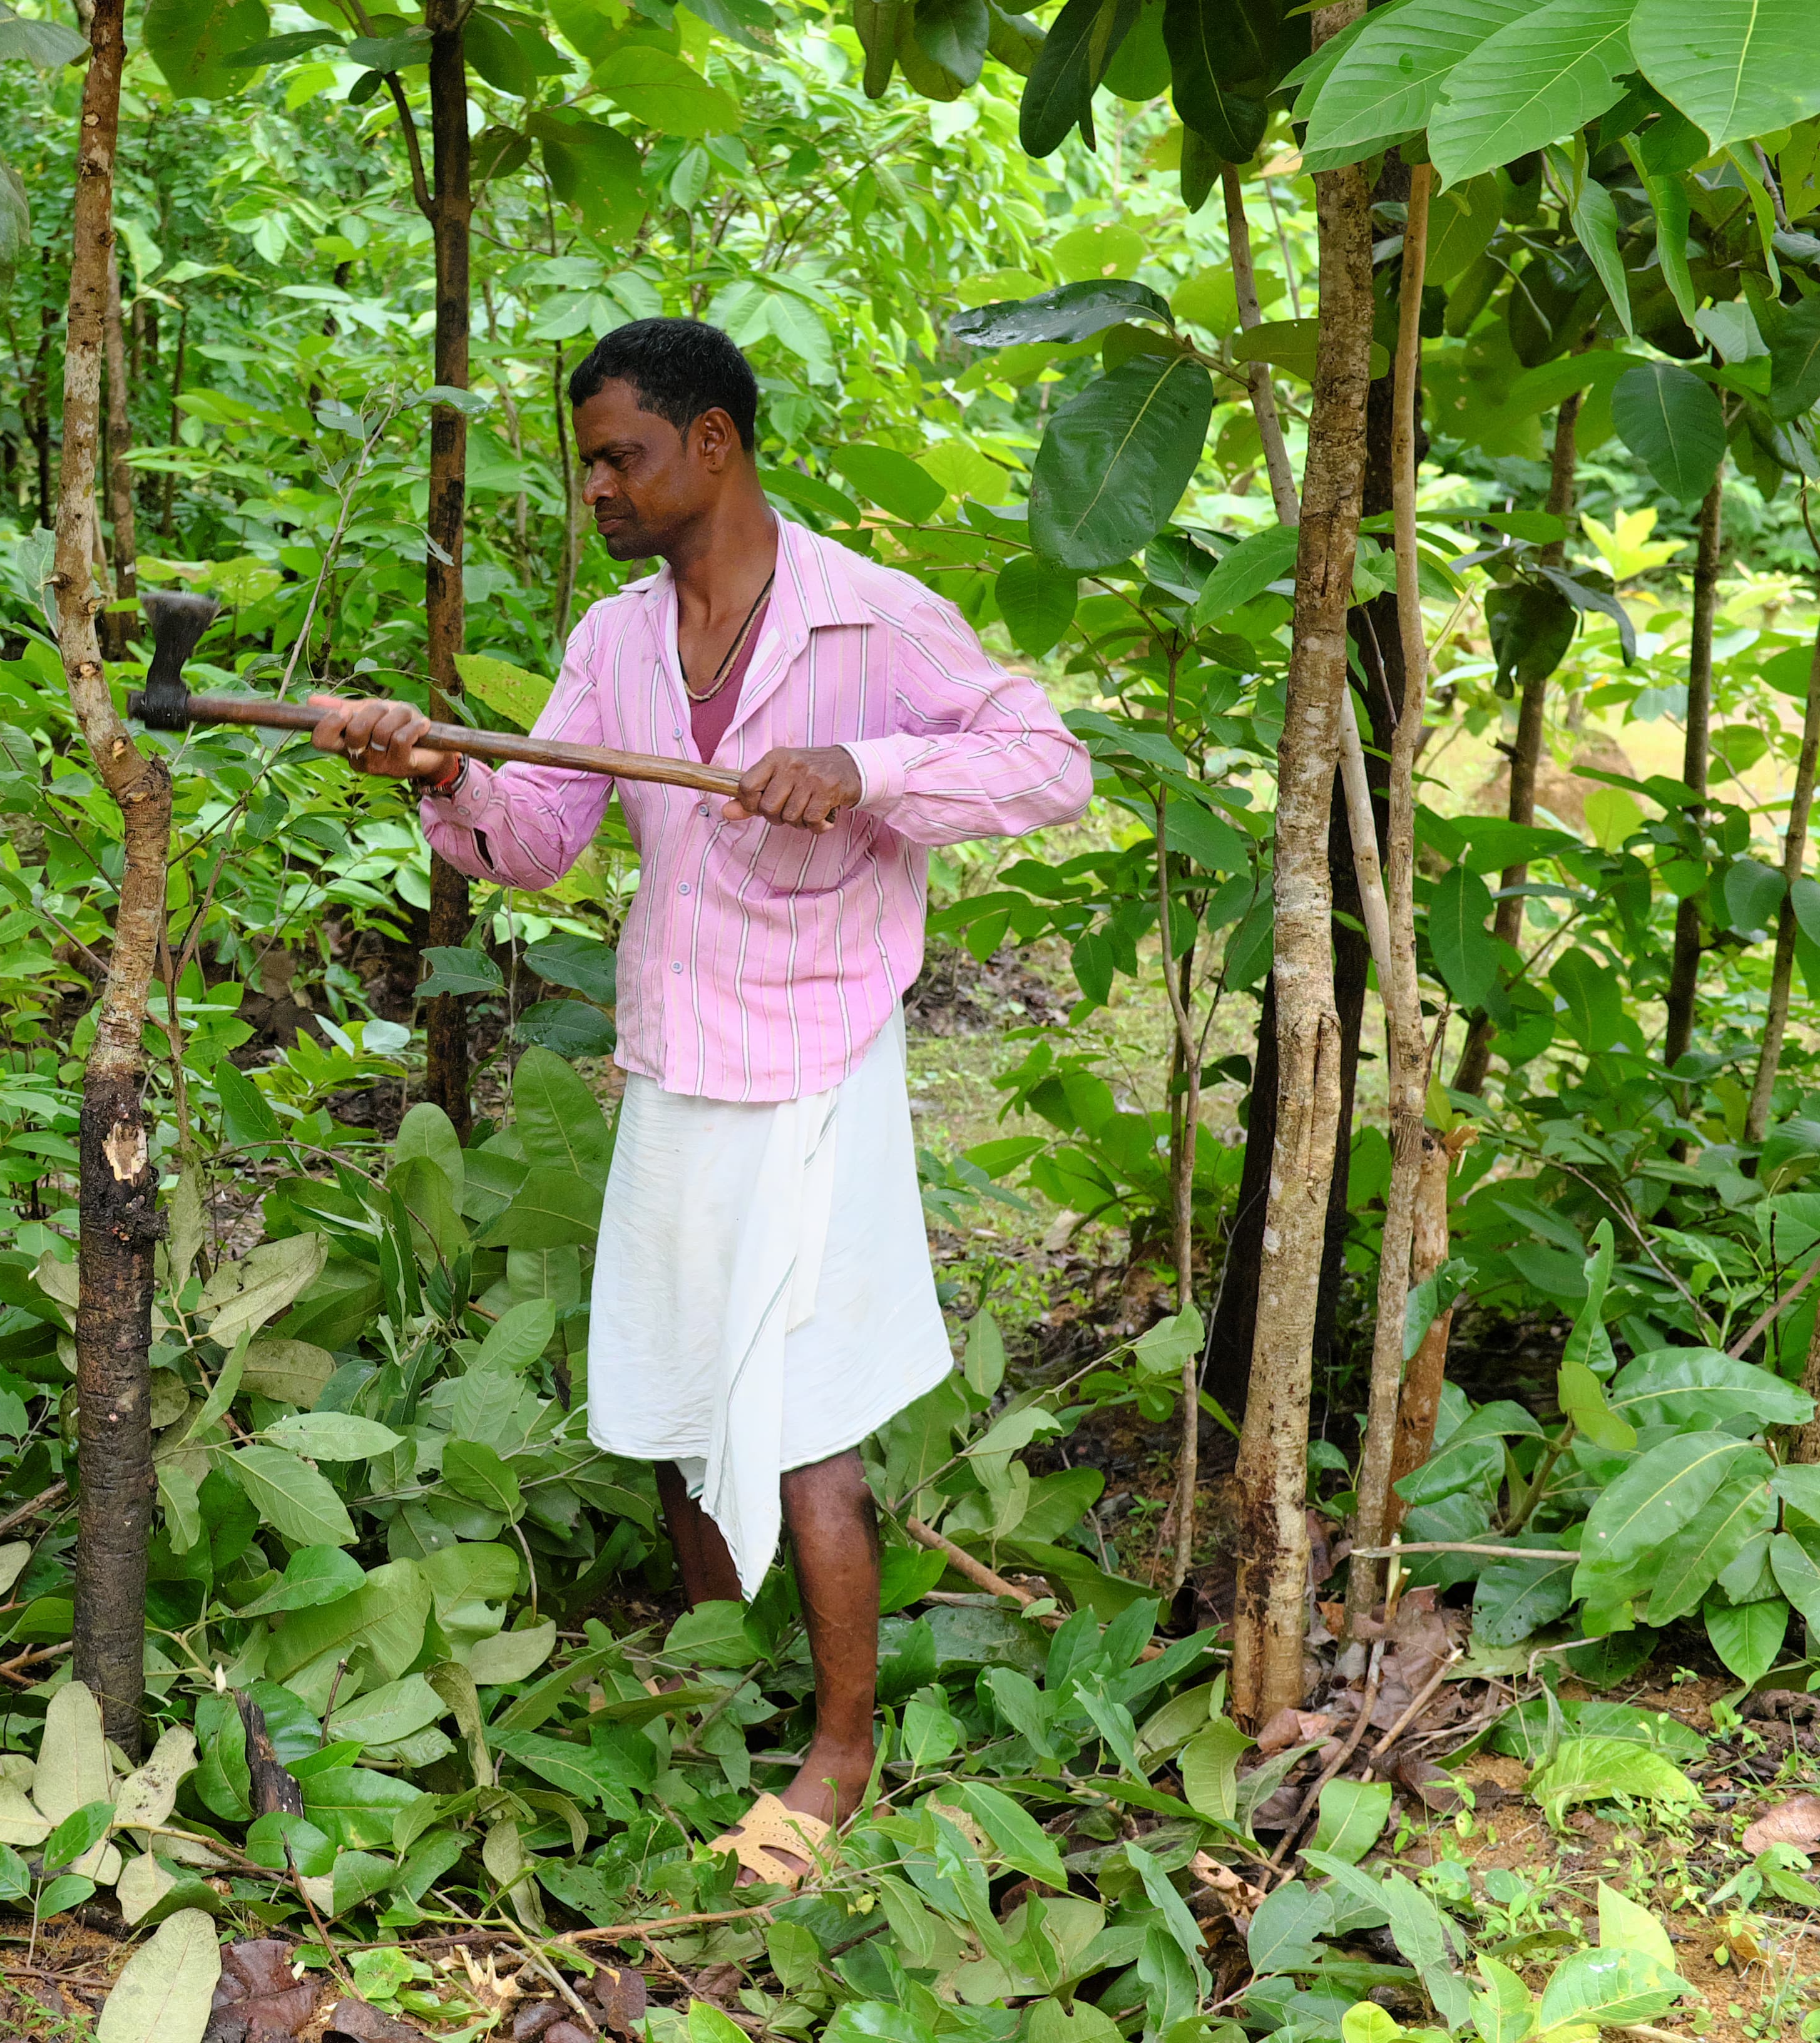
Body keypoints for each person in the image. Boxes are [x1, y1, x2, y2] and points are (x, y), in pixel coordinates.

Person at [306, 317, 1092, 1884]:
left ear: (713, 444)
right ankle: (718, 1664)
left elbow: (1047, 764)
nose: (598, 485)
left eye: (623, 455)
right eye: (588, 459)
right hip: (676, 1061)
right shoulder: (612, 643)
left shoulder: (870, 619)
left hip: (818, 1067)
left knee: (803, 1425)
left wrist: (866, 769)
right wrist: (435, 773)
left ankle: (839, 1751)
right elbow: (536, 843)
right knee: (674, 1399)